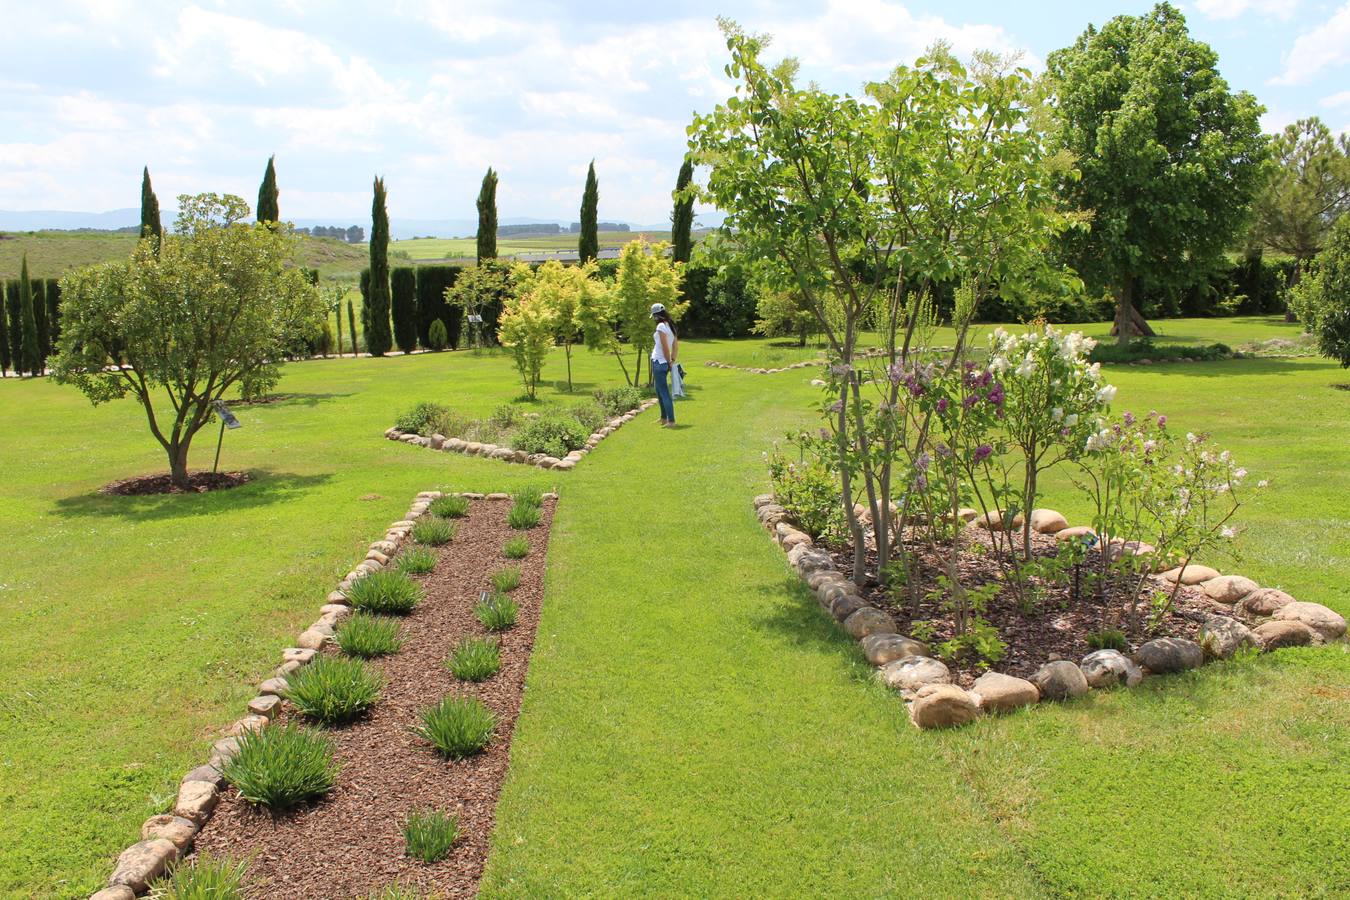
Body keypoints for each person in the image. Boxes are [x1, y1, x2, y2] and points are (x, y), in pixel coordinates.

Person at [650, 302, 678, 426]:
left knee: (663, 391)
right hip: (663, 362)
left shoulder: (661, 326)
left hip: (659, 362)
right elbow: (675, 346)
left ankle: (671, 420)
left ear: (656, 316)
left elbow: (665, 347)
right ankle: (663, 418)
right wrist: (672, 359)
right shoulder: (671, 326)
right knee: (659, 390)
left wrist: (669, 362)